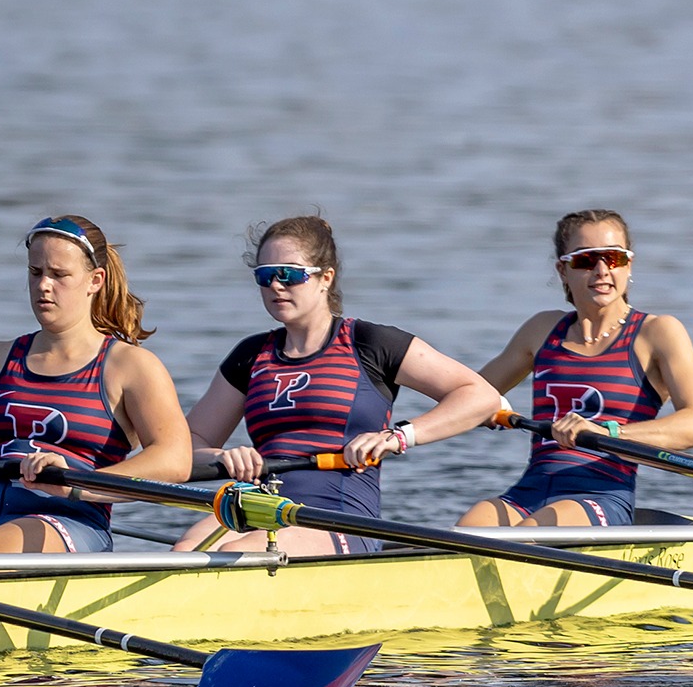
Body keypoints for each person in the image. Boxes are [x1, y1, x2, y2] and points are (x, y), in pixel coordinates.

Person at [175, 215, 498, 554]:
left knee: (236, 553)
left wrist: (399, 436)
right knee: (185, 550)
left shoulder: (371, 344)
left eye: (289, 274)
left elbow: (480, 396)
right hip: (259, 506)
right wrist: (223, 456)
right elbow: (186, 447)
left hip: (339, 520)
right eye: (265, 276)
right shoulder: (250, 356)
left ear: (325, 278)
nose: (275, 286)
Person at [0, 215, 191, 556]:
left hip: (70, 519)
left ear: (95, 280)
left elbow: (175, 459)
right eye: (35, 273)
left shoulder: (131, 367)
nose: (43, 286)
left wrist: (79, 486)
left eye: (59, 275)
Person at [458, 210, 693, 526]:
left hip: (601, 499)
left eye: (614, 258)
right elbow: (468, 397)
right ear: (563, 270)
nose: (602, 270)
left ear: (629, 265)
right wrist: (398, 430)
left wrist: (608, 431)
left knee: (530, 533)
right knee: (469, 529)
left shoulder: (657, 333)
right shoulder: (541, 330)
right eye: (586, 260)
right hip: (528, 493)